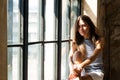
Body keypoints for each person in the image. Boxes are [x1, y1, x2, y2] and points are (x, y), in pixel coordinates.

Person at [69, 15, 104, 80]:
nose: (81, 29)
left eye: (84, 26)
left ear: (90, 26)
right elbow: (70, 57)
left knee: (81, 79)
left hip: (96, 71)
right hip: (81, 70)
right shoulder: (76, 41)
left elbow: (92, 58)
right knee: (77, 54)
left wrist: (80, 66)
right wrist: (72, 69)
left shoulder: (99, 40)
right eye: (79, 26)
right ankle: (78, 76)